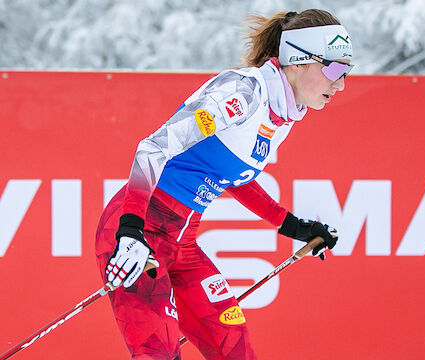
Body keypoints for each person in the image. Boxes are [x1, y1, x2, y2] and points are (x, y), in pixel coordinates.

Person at [94, 8, 353, 360]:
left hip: (182, 244)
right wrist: (130, 229)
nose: (340, 84)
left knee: (235, 350)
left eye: (346, 71)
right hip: (138, 231)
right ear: (298, 61)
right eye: (335, 69)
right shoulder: (242, 94)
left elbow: (230, 176)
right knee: (159, 354)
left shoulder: (282, 114)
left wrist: (292, 225)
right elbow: (154, 148)